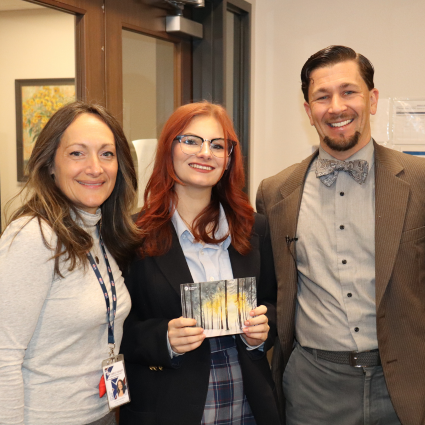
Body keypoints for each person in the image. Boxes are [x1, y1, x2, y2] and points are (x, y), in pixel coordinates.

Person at [256, 45, 425, 425]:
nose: (336, 107)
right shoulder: (275, 192)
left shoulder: (419, 182)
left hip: (405, 384)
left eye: (349, 92)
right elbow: (273, 292)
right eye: (322, 96)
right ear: (307, 110)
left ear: (373, 99)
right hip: (313, 388)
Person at [120, 101, 280, 425]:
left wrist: (264, 330)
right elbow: (115, 329)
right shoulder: (132, 235)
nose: (205, 152)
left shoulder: (254, 228)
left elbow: (274, 303)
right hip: (168, 403)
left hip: (247, 399)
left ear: (228, 160)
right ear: (169, 149)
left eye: (218, 145)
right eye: (191, 140)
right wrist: (163, 337)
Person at [0, 101, 140, 425]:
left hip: (100, 412)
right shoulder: (34, 237)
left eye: (107, 154)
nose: (95, 167)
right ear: (50, 163)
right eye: (77, 153)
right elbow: (4, 354)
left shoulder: (99, 230)